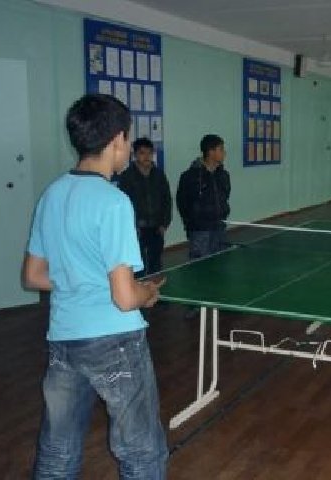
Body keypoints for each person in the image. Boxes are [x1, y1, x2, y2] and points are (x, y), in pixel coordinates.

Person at [23, 94, 168, 479]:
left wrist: (84, 280)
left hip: (64, 340)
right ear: (118, 139)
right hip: (115, 342)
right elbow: (125, 298)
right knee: (141, 451)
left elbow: (34, 276)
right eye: (129, 138)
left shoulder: (52, 194)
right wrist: (147, 293)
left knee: (57, 452)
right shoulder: (114, 202)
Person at [118, 137, 172, 276]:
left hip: (156, 228)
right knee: (138, 267)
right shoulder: (126, 177)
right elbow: (122, 206)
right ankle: (138, 289)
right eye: (142, 153)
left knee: (156, 265)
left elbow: (167, 200)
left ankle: (156, 288)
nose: (147, 156)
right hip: (136, 229)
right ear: (135, 155)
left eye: (149, 153)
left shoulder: (159, 175)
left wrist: (164, 223)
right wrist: (131, 227)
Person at [176, 134, 231, 259]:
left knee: (221, 263)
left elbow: (225, 196)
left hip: (220, 228)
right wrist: (191, 224)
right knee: (200, 266)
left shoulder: (224, 175)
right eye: (221, 149)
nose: (224, 153)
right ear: (211, 152)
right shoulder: (189, 176)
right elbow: (182, 203)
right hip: (200, 232)